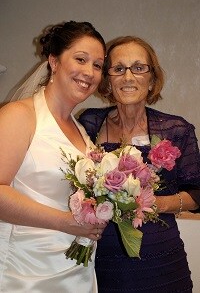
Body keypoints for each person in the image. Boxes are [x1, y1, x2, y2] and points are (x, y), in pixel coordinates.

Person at [79, 36, 200, 292]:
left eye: (138, 67)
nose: (128, 77)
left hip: (161, 257)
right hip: (104, 256)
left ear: (152, 78)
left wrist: (157, 203)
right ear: (108, 81)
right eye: (118, 68)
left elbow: (198, 193)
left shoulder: (176, 129)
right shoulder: (90, 123)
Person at [0, 21, 107, 292]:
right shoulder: (19, 115)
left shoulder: (81, 132)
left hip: (75, 270)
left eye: (97, 65)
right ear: (54, 61)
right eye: (81, 59)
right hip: (24, 270)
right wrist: (66, 222)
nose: (90, 72)